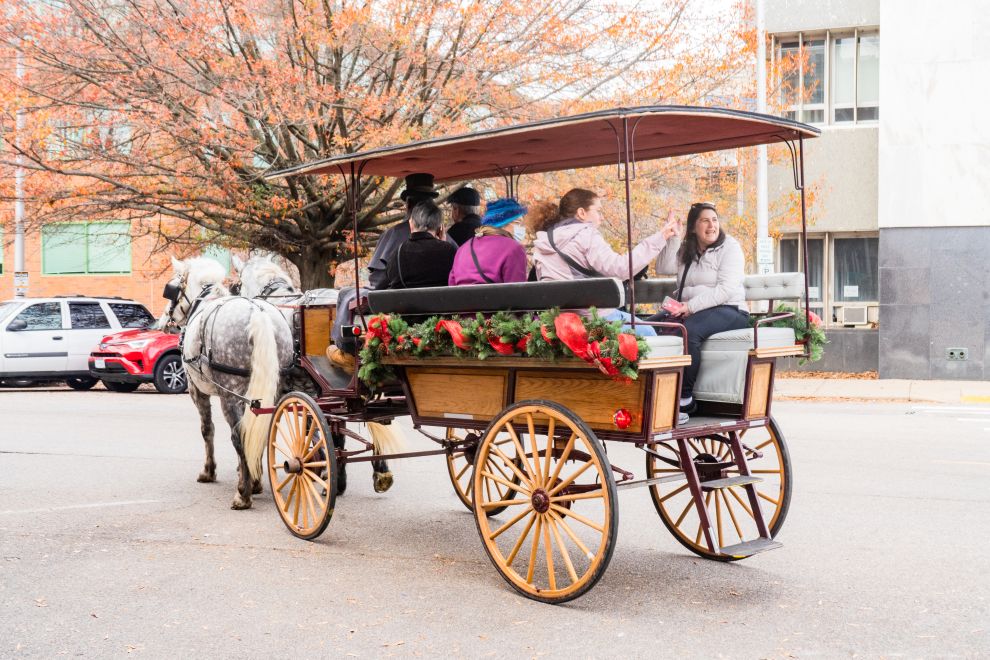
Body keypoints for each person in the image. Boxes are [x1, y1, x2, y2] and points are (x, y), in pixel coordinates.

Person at [529, 188, 679, 336]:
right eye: (598, 211)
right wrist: (661, 236)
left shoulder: (544, 242)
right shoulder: (585, 234)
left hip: (558, 322)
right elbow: (621, 268)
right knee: (649, 333)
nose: (601, 217)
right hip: (591, 320)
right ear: (581, 213)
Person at [652, 201, 749, 415]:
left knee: (691, 332)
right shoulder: (687, 249)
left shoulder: (730, 247)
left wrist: (691, 307)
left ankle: (685, 399)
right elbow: (662, 267)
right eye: (705, 221)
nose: (712, 225)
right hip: (690, 309)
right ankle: (656, 392)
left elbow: (725, 289)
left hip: (730, 309)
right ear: (693, 227)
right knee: (650, 326)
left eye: (714, 220)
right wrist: (673, 236)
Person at [366, 172, 440, 290]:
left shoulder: (394, 234)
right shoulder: (447, 241)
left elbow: (378, 280)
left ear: (408, 205)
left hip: (398, 302)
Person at [448, 198, 528, 285]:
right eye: (518, 223)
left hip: (460, 298)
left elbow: (452, 283)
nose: (522, 228)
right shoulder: (514, 248)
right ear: (502, 223)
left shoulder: (463, 248)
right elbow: (517, 290)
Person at [383, 200, 457, 289]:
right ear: (439, 228)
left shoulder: (397, 253)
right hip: (441, 302)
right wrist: (444, 244)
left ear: (411, 224)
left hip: (406, 302)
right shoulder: (449, 251)